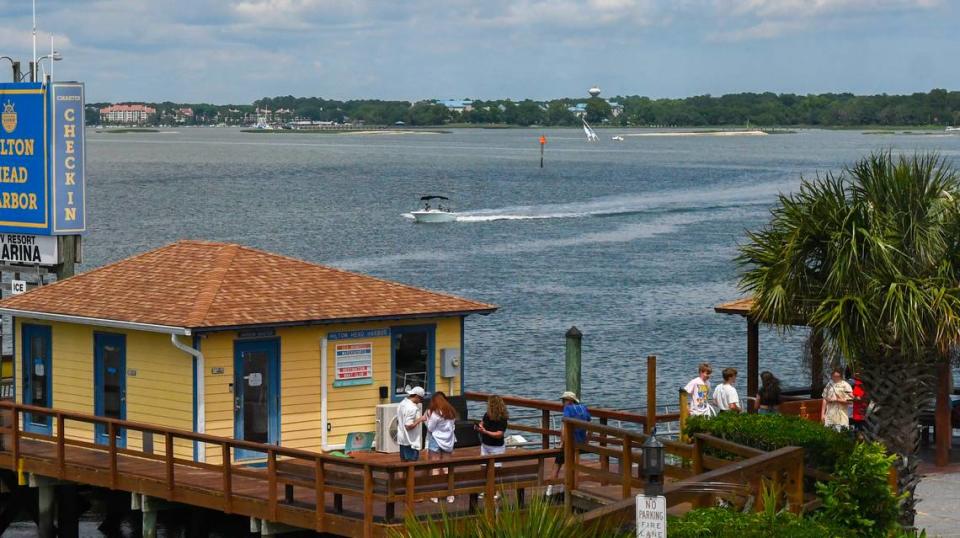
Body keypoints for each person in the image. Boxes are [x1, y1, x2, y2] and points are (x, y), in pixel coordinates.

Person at [546, 391, 591, 496]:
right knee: (571, 466)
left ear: (570, 401)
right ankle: (564, 489)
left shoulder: (568, 409)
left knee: (557, 465)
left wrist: (562, 442)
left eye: (564, 400)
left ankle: (549, 491)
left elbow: (564, 428)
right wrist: (587, 440)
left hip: (569, 443)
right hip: (580, 443)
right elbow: (590, 426)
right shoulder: (583, 408)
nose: (562, 403)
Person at [425, 391, 457, 503]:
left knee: (435, 467)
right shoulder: (451, 412)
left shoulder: (435, 414)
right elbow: (452, 427)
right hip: (448, 440)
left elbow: (430, 428)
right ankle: (450, 494)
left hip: (436, 441)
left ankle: (435, 495)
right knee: (447, 468)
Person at [476, 395, 508, 499]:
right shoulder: (487, 415)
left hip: (497, 447)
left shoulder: (502, 418)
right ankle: (484, 489)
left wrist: (485, 432)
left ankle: (497, 491)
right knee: (483, 468)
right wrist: (479, 427)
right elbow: (482, 423)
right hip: (485, 445)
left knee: (496, 469)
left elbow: (499, 434)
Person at [396, 386, 427, 462]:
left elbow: (398, 421)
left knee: (403, 464)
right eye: (421, 399)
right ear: (416, 396)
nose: (420, 401)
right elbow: (408, 426)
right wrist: (420, 419)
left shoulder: (402, 403)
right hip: (410, 441)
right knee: (411, 466)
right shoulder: (412, 408)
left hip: (402, 439)